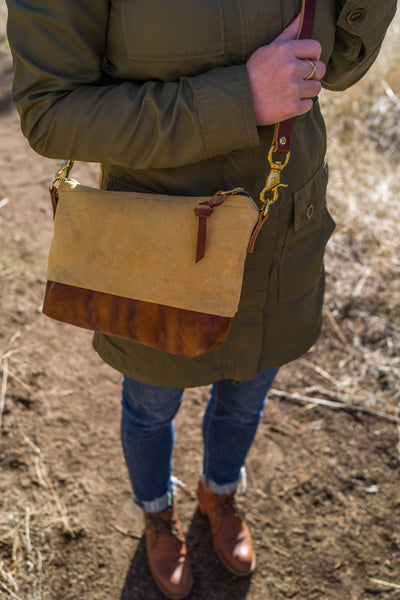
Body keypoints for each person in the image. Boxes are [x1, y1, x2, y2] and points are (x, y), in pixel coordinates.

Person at [6, 0, 396, 598]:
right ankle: (157, 513)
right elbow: (49, 113)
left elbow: (336, 66)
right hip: (159, 255)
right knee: (150, 405)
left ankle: (219, 493)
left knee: (247, 395)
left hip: (281, 237)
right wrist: (238, 99)